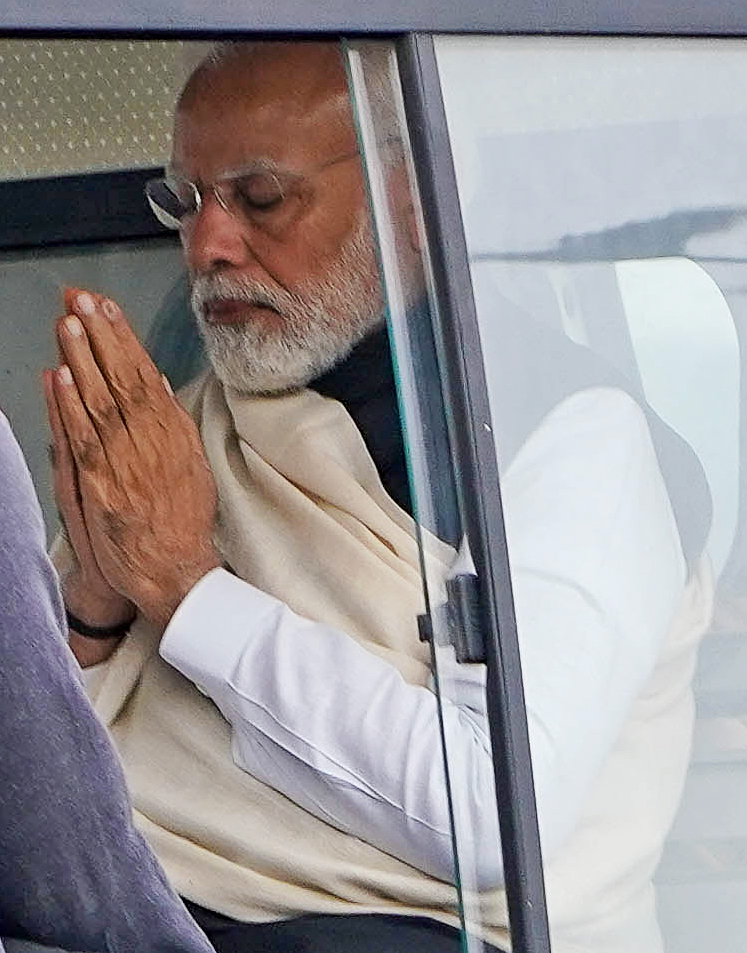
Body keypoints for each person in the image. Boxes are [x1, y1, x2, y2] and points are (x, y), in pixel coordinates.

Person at [42, 41, 713, 953]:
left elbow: (486, 810)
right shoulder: (181, 428)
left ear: (410, 201)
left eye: (260, 198)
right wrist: (95, 598)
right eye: (185, 202)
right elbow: (38, 770)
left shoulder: (560, 438)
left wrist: (187, 589)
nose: (207, 245)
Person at [0, 409, 216, 953]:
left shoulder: (441, 488)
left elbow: (464, 790)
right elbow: (39, 796)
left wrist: (180, 592)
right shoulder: (163, 426)